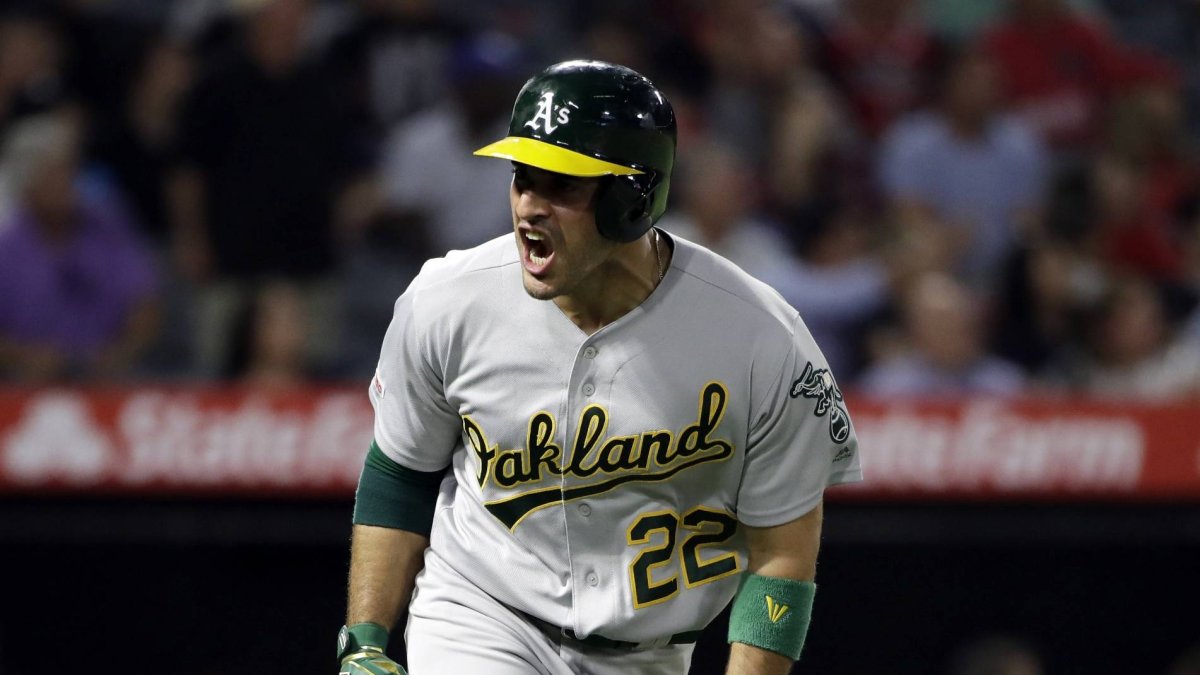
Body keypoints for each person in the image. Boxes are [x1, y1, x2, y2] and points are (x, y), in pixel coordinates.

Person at [337, 61, 862, 675]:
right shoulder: (448, 300)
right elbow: (401, 472)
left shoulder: (760, 339)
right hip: (480, 615)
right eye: (522, 179)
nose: (530, 207)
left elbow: (782, 557)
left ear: (633, 198)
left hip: (649, 653)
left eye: (561, 186)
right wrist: (366, 639)